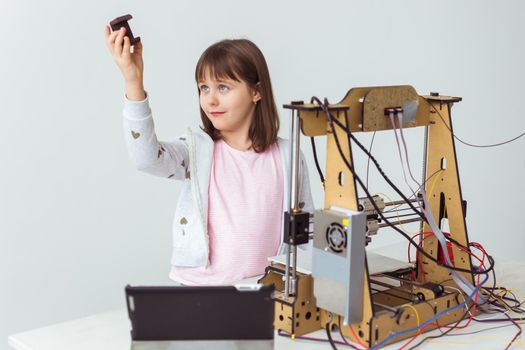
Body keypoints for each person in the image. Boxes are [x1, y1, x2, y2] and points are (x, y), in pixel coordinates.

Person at [104, 25, 314, 285]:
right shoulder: (198, 150)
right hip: (199, 290)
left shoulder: (287, 155)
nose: (210, 100)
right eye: (204, 88)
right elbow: (146, 158)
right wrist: (133, 81)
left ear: (256, 92)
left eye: (223, 88)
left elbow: (306, 232)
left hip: (266, 291)